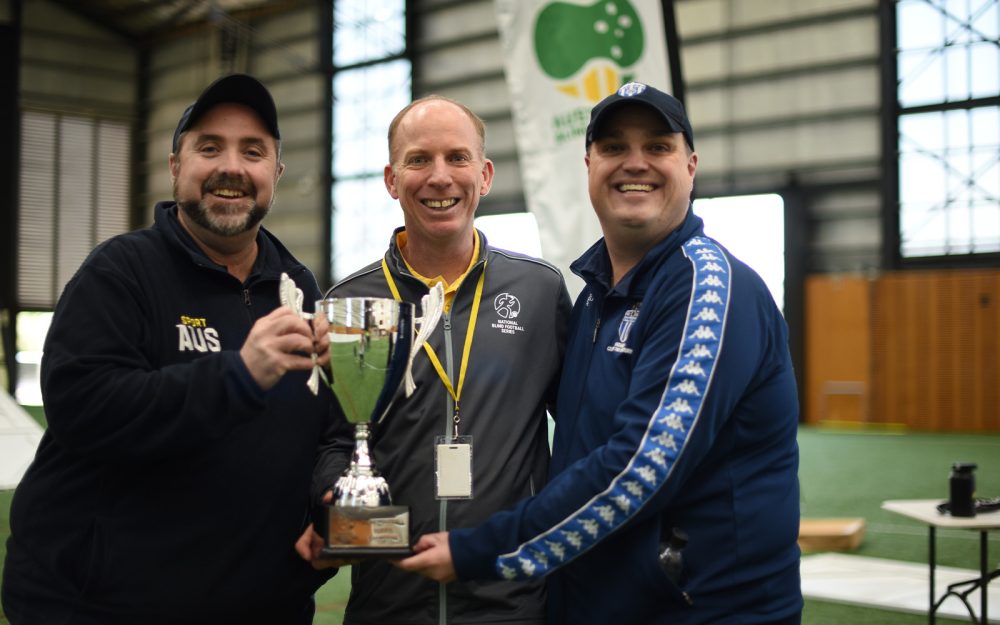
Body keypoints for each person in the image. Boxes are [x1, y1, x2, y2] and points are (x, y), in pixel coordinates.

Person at [397, 82, 803, 625]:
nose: (635, 164)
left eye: (657, 146)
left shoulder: (707, 287)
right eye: (613, 147)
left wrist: (482, 548)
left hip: (699, 610)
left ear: (691, 166)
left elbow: (642, 466)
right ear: (588, 165)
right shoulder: (591, 298)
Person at [1, 74, 345, 624]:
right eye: (209, 148)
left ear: (275, 175)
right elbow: (82, 409)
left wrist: (331, 505)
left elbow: (329, 430)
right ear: (176, 166)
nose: (231, 167)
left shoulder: (299, 288)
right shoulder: (120, 273)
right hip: (102, 609)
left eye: (252, 152)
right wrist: (239, 375)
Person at [295, 95, 572, 624]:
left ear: (484, 174)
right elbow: (333, 441)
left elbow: (583, 430)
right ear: (392, 180)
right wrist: (339, 506)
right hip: (390, 604)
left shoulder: (538, 292)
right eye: (419, 159)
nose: (439, 177)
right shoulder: (349, 303)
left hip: (513, 605)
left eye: (457, 158)